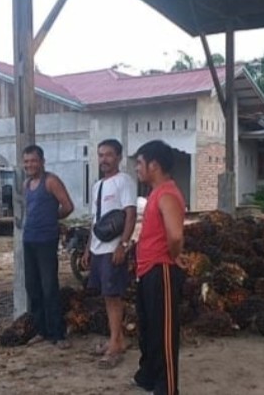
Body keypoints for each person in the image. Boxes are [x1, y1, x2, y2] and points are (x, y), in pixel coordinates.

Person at [131, 140, 187, 395]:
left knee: (164, 333)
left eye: (139, 163)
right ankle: (148, 377)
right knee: (149, 329)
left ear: (154, 165)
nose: (137, 168)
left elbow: (175, 236)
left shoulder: (167, 194)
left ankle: (168, 388)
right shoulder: (155, 193)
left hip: (161, 269)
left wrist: (173, 257)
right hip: (147, 270)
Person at [80, 139, 138, 369]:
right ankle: (117, 338)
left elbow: (130, 215)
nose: (104, 159)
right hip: (98, 248)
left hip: (113, 249)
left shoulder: (124, 181)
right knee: (107, 295)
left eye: (109, 155)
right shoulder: (97, 186)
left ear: (119, 157)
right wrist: (88, 248)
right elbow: (95, 220)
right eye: (101, 155)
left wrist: (122, 244)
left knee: (114, 296)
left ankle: (115, 344)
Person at [21, 145, 75, 349]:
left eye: (33, 161)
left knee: (49, 286)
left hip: (46, 240)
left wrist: (52, 218)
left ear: (42, 162)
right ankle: (41, 330)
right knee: (33, 287)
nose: (30, 165)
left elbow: (68, 206)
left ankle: (57, 334)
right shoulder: (27, 184)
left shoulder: (51, 181)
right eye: (26, 161)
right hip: (29, 239)